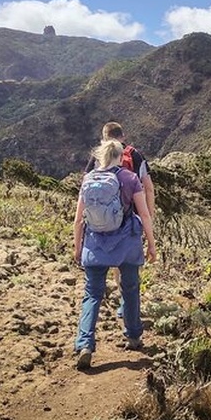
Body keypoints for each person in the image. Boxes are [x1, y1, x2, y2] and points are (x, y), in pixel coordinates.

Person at [73, 139, 157, 370]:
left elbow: (79, 219)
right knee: (130, 288)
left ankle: (85, 344)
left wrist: (78, 247)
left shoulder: (88, 179)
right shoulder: (130, 178)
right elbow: (144, 215)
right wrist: (151, 244)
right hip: (127, 244)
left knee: (92, 294)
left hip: (95, 243)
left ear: (100, 157)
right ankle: (133, 336)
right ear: (121, 157)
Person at [85, 122, 156, 317]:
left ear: (104, 138)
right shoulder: (135, 154)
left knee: (113, 263)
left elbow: (86, 184)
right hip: (131, 218)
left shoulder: (98, 156)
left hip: (103, 219)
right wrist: (148, 216)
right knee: (129, 263)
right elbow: (149, 188)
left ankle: (114, 301)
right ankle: (128, 306)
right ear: (123, 136)